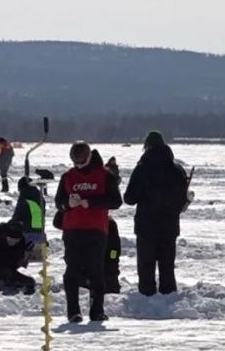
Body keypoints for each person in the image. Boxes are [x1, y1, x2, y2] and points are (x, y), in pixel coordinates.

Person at [55, 141, 122, 323]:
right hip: (72, 229)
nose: (79, 166)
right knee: (72, 270)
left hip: (96, 229)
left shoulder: (105, 175)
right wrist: (68, 204)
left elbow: (116, 201)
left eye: (82, 162)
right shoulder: (67, 176)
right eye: (76, 163)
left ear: (89, 157)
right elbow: (59, 202)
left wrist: (91, 202)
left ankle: (97, 310)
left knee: (96, 270)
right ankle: (73, 311)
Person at [123, 130, 190, 296]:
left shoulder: (141, 169)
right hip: (169, 226)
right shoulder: (177, 170)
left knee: (146, 268)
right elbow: (183, 199)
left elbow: (129, 198)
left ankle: (146, 298)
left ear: (147, 147)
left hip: (146, 226)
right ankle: (168, 298)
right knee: (167, 268)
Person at [12, 176, 47, 257]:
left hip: (27, 232)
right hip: (40, 231)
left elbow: (18, 213)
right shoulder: (39, 196)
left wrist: (12, 224)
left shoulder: (25, 196)